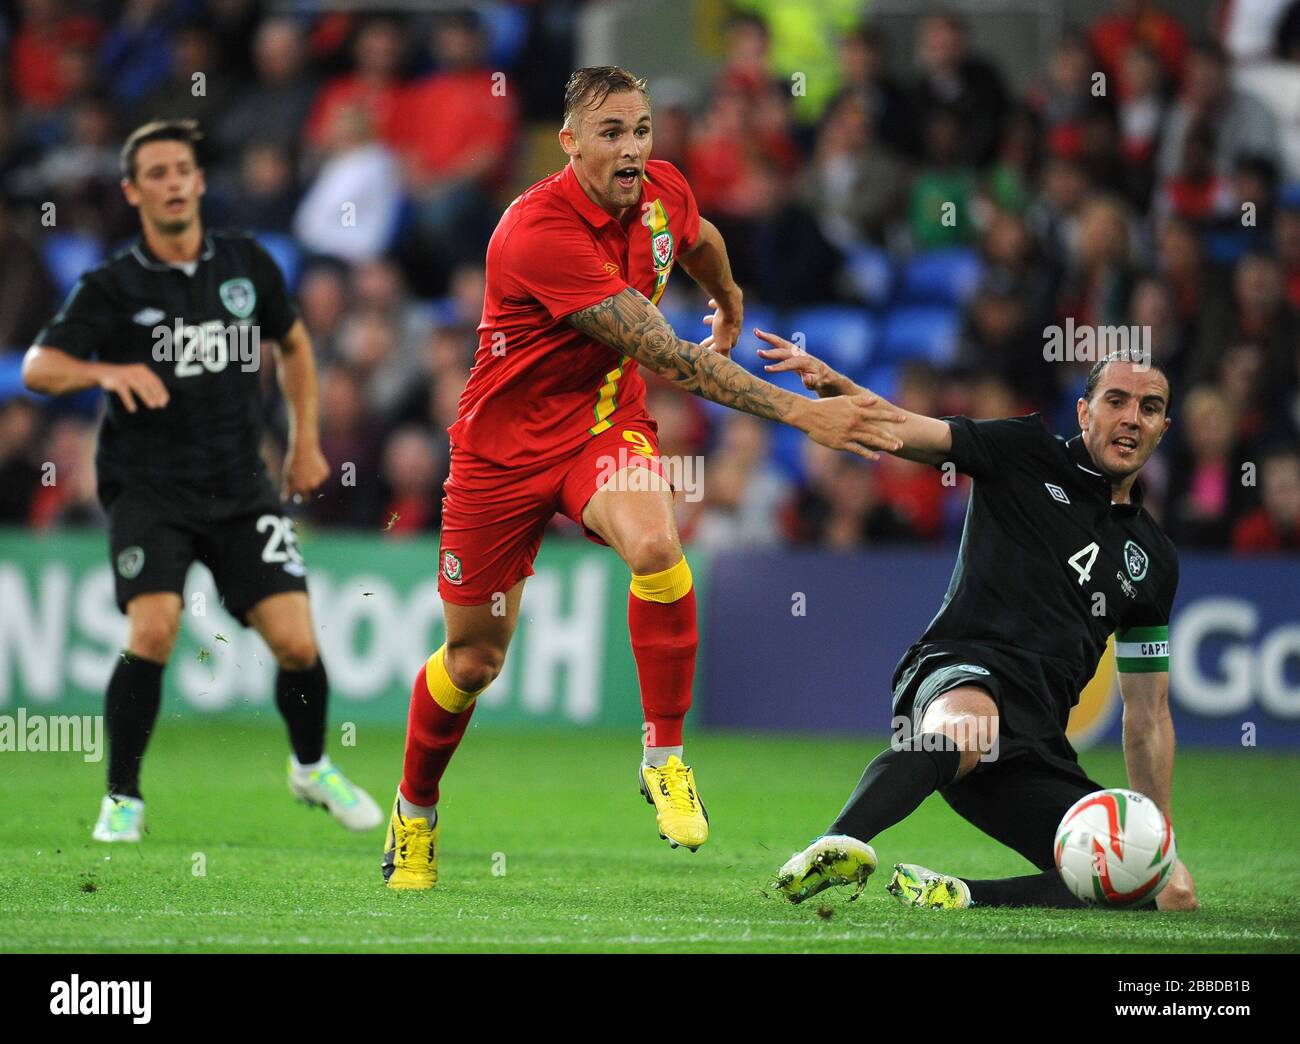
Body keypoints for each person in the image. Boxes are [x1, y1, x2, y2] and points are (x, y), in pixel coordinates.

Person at [383, 66, 902, 889]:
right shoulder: (538, 233)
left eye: (642, 129)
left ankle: (663, 755)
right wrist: (804, 415)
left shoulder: (660, 189)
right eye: (612, 133)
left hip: (600, 424)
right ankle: (415, 814)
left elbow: (696, 238)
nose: (632, 150)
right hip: (499, 454)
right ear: (570, 143)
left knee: (658, 545)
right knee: (475, 660)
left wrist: (727, 298)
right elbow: (667, 357)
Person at [22, 119, 381, 842]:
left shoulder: (247, 263)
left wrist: (305, 441)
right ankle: (123, 796)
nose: (173, 182)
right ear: (133, 190)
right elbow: (38, 368)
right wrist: (106, 370)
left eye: (182, 169)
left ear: (200, 180)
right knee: (153, 627)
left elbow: (295, 345)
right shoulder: (112, 286)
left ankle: (310, 767)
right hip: (148, 489)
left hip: (240, 486)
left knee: (299, 645)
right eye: (155, 173)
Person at [756, 333, 1197, 911]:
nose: (1132, 419)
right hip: (961, 673)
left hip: (1036, 743)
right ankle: (835, 845)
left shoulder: (1154, 559)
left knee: (1145, 887)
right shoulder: (1024, 450)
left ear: (1164, 429)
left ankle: (959, 895)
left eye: (1150, 408)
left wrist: (1155, 838)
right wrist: (841, 388)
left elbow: (1147, 715)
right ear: (1085, 412)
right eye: (1116, 401)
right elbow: (907, 428)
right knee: (973, 729)